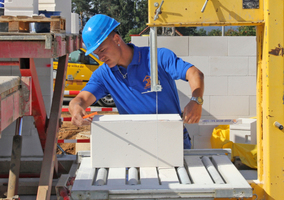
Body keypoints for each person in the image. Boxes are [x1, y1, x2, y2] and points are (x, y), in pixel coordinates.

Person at [69, 14, 204, 149]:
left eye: (103, 50)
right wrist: (76, 109)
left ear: (116, 39)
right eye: (97, 54)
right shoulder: (104, 75)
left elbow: (194, 73)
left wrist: (196, 100)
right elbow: (80, 99)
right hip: (135, 143)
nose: (101, 57)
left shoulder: (158, 57)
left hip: (172, 139)